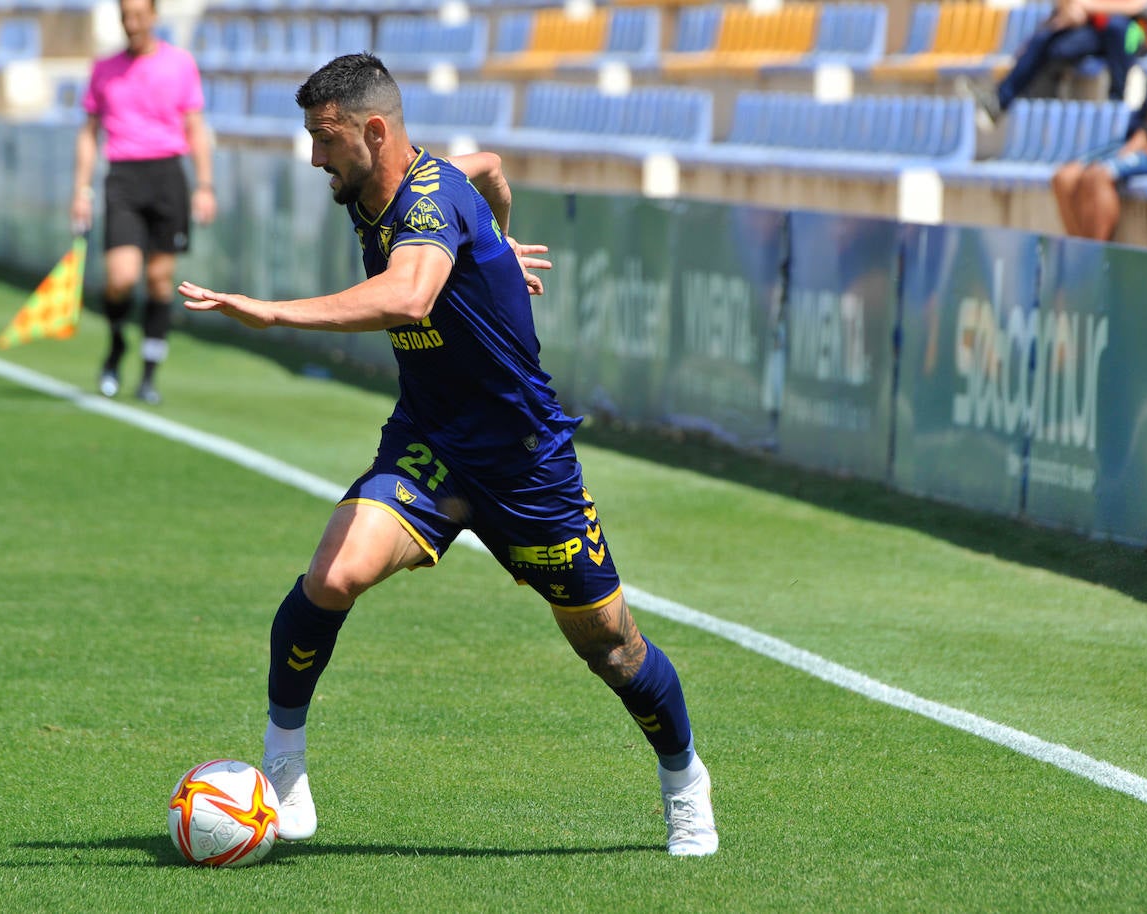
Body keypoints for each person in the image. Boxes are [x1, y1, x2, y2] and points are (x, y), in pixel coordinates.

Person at [177, 53, 721, 857]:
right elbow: (490, 166)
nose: (314, 158)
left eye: (324, 140)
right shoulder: (378, 184)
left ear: (374, 129)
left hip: (523, 461)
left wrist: (274, 312)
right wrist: (500, 241)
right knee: (331, 576)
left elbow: (408, 296)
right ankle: (283, 768)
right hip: (431, 444)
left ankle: (685, 783)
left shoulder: (426, 206)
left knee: (611, 645)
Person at [70, 0, 214, 406]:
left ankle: (149, 373)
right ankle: (116, 345)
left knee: (158, 280)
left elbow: (195, 127)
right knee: (120, 277)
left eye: (138, 15)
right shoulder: (104, 69)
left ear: (153, 15)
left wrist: (205, 185)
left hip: (168, 175)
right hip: (123, 177)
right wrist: (81, 190)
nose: (131, 23)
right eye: (125, 16)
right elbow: (88, 133)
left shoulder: (180, 64)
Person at [1051, 0, 1147, 240]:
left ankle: (1096, 257)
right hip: (1143, 141)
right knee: (1064, 177)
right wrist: (1137, 142)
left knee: (1098, 176)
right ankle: (1083, 256)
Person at [967, 0, 1144, 128]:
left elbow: (1136, 5)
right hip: (1087, 32)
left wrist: (1088, 6)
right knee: (1043, 40)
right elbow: (1069, 8)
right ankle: (1000, 100)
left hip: (1125, 34)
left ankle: (1116, 103)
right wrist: (1071, 11)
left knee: (1117, 28)